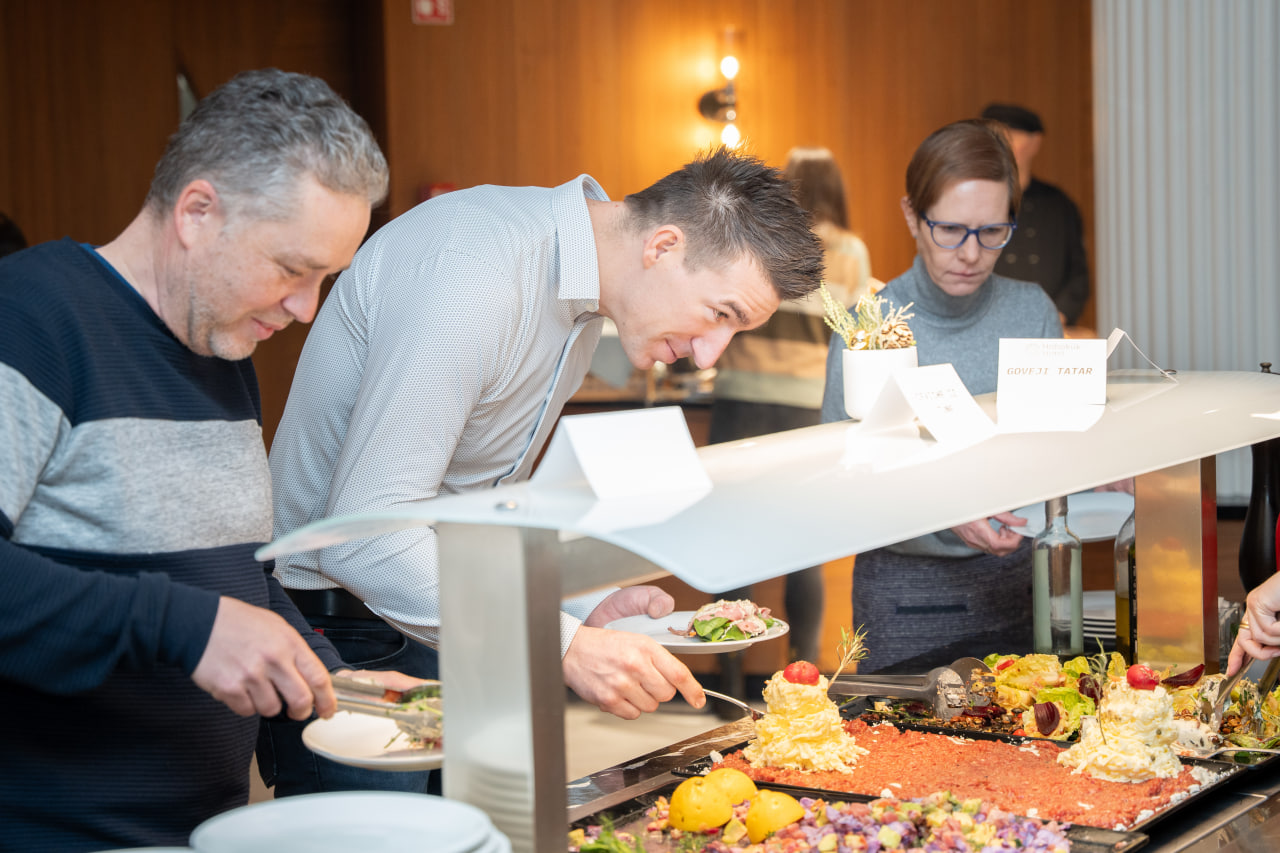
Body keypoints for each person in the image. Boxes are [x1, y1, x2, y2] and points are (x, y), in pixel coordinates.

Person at [264, 146, 826, 794]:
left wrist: (576, 606)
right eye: (720, 313)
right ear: (664, 246)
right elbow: (365, 536)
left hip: (439, 611)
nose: (710, 350)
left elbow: (472, 503)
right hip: (347, 630)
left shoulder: (586, 298)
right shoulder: (476, 274)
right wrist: (558, 642)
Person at [0, 69, 416, 850]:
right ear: (197, 212)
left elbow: (236, 574)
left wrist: (337, 677)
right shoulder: (27, 320)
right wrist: (185, 627)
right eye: (292, 269)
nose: (306, 309)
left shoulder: (223, 352)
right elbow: (196, 614)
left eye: (325, 278)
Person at [821, 119, 1063, 673]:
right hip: (907, 594)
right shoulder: (869, 328)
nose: (972, 253)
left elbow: (1053, 452)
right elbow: (843, 482)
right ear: (912, 216)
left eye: (993, 231)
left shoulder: (1032, 313)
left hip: (1021, 590)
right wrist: (945, 513)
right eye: (950, 230)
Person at [707, 147, 873, 708]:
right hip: (806, 408)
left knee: (730, 542)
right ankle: (804, 672)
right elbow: (855, 337)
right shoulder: (848, 251)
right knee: (803, 544)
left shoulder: (754, 235)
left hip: (740, 400)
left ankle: (723, 678)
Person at [980, 103, 1090, 327]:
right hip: (987, 323)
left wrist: (1058, 315)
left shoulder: (1059, 204)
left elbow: (1078, 274)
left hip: (1049, 329)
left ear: (1035, 143)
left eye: (1011, 136)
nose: (1003, 145)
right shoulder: (973, 199)